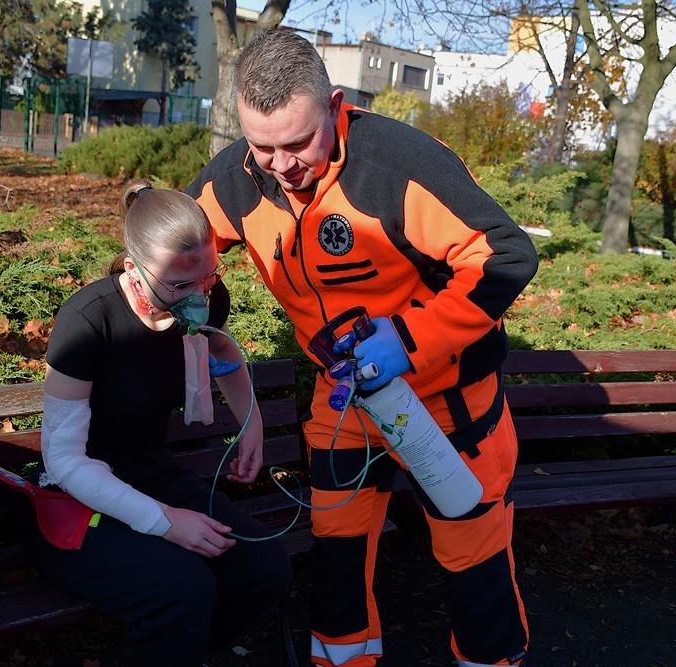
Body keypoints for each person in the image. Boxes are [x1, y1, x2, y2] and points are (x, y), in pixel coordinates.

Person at [187, 29, 538, 667]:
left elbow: (507, 255)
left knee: (473, 558)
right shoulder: (237, 177)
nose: (281, 166)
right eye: (263, 147)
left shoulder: (396, 164)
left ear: (336, 105)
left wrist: (409, 340)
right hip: (344, 402)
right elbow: (181, 252)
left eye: (298, 143)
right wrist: (187, 313)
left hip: (445, 401)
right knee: (338, 553)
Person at [28, 180, 293, 666]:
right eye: (178, 285)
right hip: (73, 498)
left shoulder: (205, 298)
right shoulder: (88, 321)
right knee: (183, 589)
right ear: (134, 269)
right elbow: (64, 460)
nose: (197, 296)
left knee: (264, 567)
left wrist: (250, 423)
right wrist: (164, 521)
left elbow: (221, 346)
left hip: (151, 472)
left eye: (208, 278)